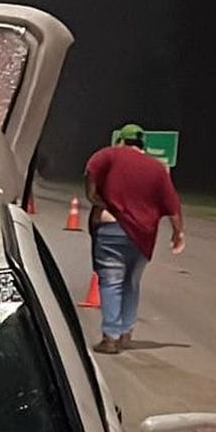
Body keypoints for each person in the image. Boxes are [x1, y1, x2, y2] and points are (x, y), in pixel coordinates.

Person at [84, 124, 184, 354]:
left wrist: (94, 198)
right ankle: (126, 332)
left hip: (111, 228)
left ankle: (110, 337)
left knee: (111, 281)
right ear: (142, 144)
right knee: (131, 282)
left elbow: (91, 172)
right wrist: (178, 232)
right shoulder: (157, 168)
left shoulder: (107, 154)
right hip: (144, 234)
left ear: (121, 140)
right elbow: (172, 205)